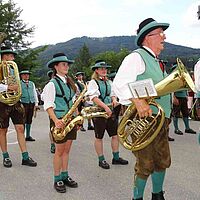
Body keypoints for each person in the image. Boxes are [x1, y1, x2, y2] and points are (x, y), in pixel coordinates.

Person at [113, 18, 171, 200]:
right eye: (160, 33)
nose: (164, 36)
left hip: (160, 119)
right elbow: (119, 84)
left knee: (162, 160)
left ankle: (157, 195)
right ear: (147, 37)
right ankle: (137, 198)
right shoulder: (136, 57)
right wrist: (138, 102)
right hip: (145, 120)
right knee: (145, 163)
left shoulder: (156, 60)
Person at [42, 53, 78, 193]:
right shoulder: (51, 84)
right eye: (63, 64)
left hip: (69, 119)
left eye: (67, 64)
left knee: (67, 150)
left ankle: (65, 175)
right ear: (55, 67)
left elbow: (73, 102)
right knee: (59, 151)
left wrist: (77, 118)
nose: (66, 66)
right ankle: (57, 179)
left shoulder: (69, 83)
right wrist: (56, 121)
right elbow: (48, 106)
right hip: (59, 121)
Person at [86, 60, 128, 170]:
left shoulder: (109, 82)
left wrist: (114, 100)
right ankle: (101, 159)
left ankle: (116, 157)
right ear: (96, 70)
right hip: (99, 111)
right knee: (99, 136)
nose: (104, 70)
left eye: (105, 68)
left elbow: (113, 93)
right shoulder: (93, 82)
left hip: (110, 110)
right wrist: (105, 107)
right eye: (101, 68)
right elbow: (94, 97)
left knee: (115, 135)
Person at [0, 46, 37, 168]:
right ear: (4, 56)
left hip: (15, 101)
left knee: (20, 128)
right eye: (11, 55)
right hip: (2, 103)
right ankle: (6, 156)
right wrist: (8, 88)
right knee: (3, 130)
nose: (13, 58)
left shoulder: (12, 69)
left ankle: (25, 157)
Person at [170, 65, 196, 135]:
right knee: (176, 114)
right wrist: (174, 97)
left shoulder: (183, 78)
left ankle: (187, 128)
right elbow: (171, 89)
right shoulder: (173, 79)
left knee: (185, 113)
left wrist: (186, 95)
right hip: (177, 97)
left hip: (183, 97)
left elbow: (185, 87)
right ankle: (176, 129)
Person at [20, 70, 40, 141]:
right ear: (21, 76)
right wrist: (19, 104)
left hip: (31, 103)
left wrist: (36, 103)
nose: (26, 76)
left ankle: (28, 136)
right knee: (23, 120)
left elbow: (34, 93)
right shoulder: (19, 83)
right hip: (23, 103)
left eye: (27, 74)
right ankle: (21, 136)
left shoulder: (32, 83)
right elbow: (18, 94)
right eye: (25, 74)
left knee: (29, 119)